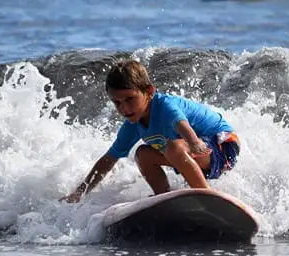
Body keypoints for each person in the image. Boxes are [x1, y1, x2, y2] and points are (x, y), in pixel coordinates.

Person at [60, 60, 240, 203]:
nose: (124, 108)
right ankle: (165, 199)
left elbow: (180, 123)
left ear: (149, 92)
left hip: (222, 145)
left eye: (130, 99)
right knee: (143, 154)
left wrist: (194, 142)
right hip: (194, 155)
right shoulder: (132, 124)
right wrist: (80, 191)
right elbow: (109, 159)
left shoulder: (165, 105)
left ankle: (206, 198)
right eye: (117, 103)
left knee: (174, 148)